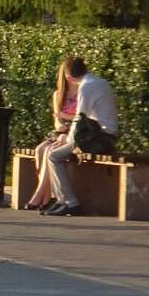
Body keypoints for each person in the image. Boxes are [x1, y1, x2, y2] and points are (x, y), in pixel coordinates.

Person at [41, 57, 119, 216]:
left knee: (54, 156)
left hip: (98, 139)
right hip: (105, 135)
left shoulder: (85, 87)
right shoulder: (101, 82)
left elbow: (79, 118)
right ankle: (61, 201)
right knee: (53, 153)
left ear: (69, 77)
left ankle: (69, 202)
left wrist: (67, 141)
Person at [25, 56, 79, 211]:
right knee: (39, 149)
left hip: (74, 132)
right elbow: (56, 119)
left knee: (49, 150)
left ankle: (40, 195)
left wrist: (65, 119)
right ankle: (46, 195)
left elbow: (79, 117)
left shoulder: (82, 92)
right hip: (61, 131)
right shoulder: (59, 94)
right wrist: (61, 124)